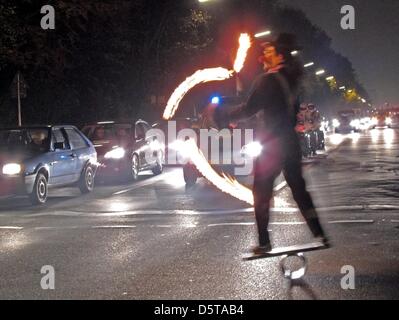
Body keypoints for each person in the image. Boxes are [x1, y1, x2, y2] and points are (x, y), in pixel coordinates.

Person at [208, 33, 329, 254]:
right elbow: (276, 108)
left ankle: (264, 242)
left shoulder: (267, 81)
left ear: (280, 56)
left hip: (272, 143)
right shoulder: (290, 78)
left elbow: (249, 108)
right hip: (290, 141)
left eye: (270, 52)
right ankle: (319, 233)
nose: (264, 54)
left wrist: (223, 116)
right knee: (299, 190)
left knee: (261, 192)